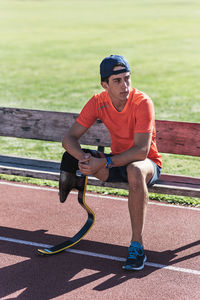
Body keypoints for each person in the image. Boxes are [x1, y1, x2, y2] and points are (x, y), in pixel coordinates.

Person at [59, 55, 162, 271]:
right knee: (83, 159)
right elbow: (68, 139)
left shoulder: (142, 102)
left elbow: (141, 151)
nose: (125, 85)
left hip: (147, 164)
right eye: (117, 81)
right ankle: (71, 174)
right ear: (104, 84)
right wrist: (84, 159)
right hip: (115, 162)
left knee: (134, 169)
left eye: (127, 78)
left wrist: (104, 163)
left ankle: (137, 245)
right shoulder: (98, 102)